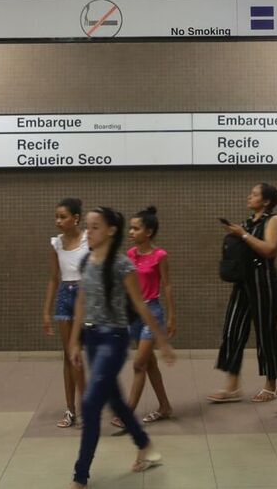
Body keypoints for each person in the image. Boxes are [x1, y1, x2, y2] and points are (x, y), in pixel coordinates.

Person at [68, 206, 172, 488]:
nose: (88, 232)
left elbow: (141, 304)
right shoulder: (86, 261)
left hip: (113, 340)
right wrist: (74, 341)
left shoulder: (122, 265)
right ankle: (145, 445)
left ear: (111, 231)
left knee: (90, 404)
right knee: (115, 401)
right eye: (87, 227)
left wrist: (162, 340)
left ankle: (80, 476)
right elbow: (81, 303)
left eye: (95, 227)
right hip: (91, 340)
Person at [209, 183, 277, 404]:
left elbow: (269, 250)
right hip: (243, 283)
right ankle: (232, 386)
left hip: (264, 284)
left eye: (254, 194)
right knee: (232, 330)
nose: (249, 197)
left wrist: (242, 235)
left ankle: (271, 385)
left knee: (265, 333)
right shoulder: (247, 223)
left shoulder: (274, 220)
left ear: (267, 201)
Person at [115, 206, 174, 426]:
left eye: (135, 228)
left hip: (153, 313)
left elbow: (167, 286)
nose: (131, 232)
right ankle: (165, 406)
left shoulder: (160, 255)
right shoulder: (130, 255)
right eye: (130, 228)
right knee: (150, 365)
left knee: (139, 364)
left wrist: (171, 317)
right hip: (134, 314)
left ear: (148, 232)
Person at [42, 197, 89, 428]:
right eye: (56, 217)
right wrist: (46, 311)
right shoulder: (56, 243)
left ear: (76, 218)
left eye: (63, 216)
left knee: (81, 352)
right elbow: (53, 278)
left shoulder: (89, 239)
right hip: (64, 296)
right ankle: (71, 410)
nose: (58, 221)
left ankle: (89, 405)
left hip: (85, 296)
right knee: (68, 354)